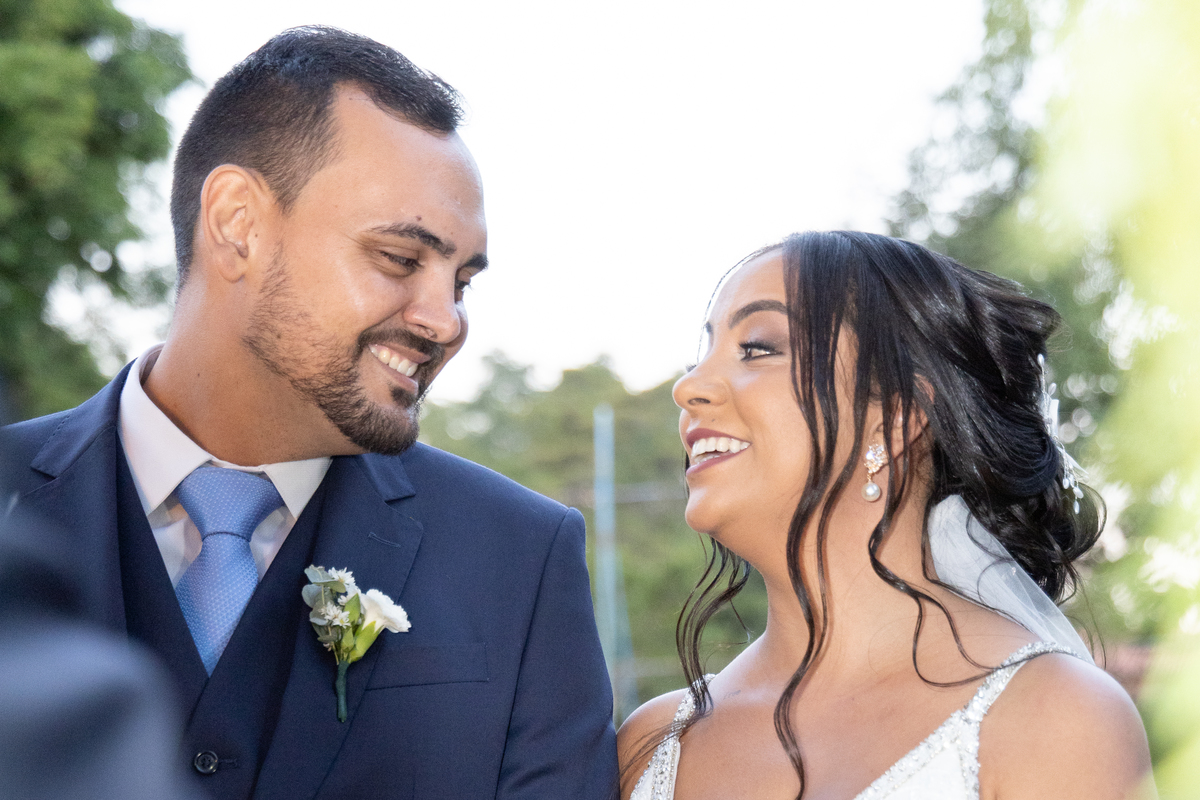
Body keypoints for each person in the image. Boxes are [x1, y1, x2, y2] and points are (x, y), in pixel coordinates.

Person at [0, 27, 617, 799]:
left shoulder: (521, 558)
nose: (446, 321)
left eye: (461, 283)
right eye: (400, 259)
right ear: (238, 222)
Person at [618, 231, 1154, 800]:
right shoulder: (650, 747)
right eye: (699, 357)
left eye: (757, 347)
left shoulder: (1053, 721)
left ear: (898, 418)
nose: (688, 388)